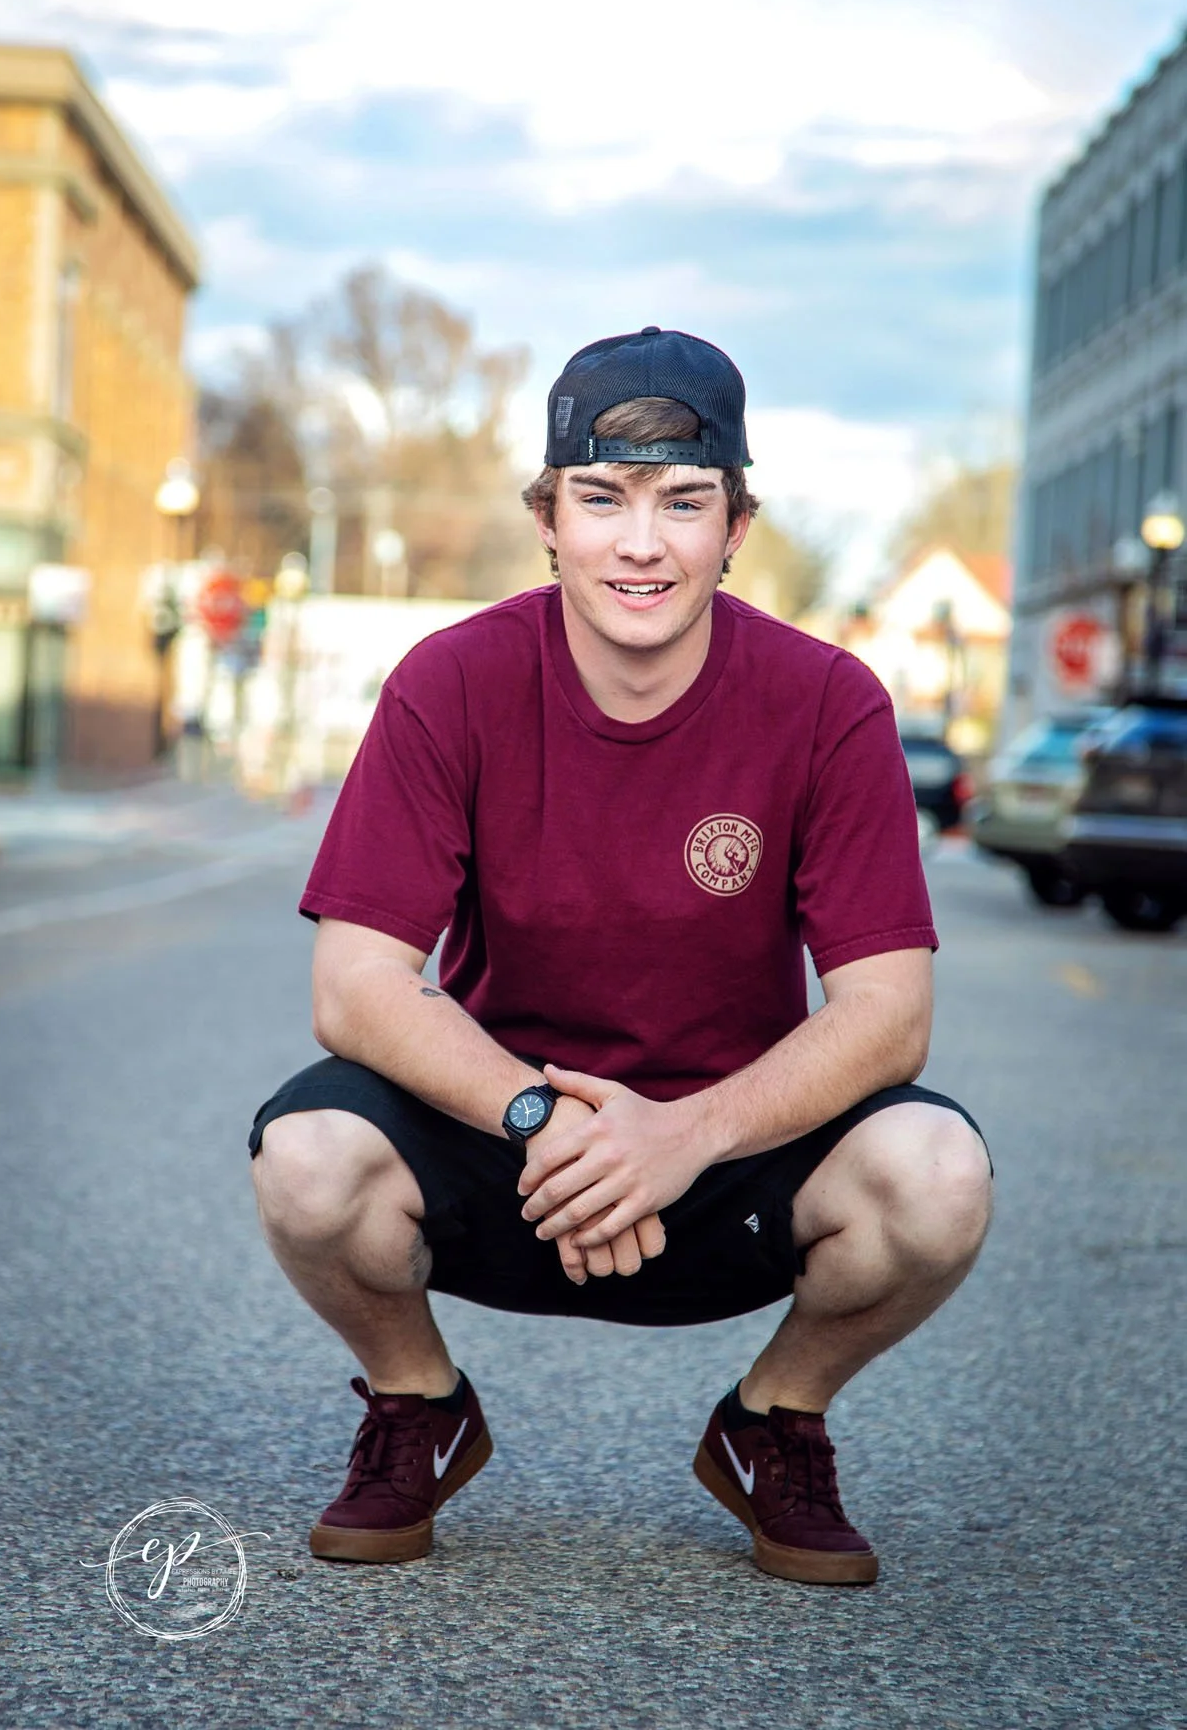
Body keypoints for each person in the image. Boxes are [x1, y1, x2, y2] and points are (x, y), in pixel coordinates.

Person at [248, 327, 993, 1587]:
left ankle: (775, 1423)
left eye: (681, 502)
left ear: (734, 525)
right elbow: (356, 983)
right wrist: (538, 1118)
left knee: (934, 1176)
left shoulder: (828, 703)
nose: (638, 544)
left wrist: (682, 1136)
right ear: (547, 516)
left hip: (726, 1160)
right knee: (309, 1158)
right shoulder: (450, 682)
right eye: (600, 499)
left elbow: (885, 1014)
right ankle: (416, 1403)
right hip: (507, 1148)